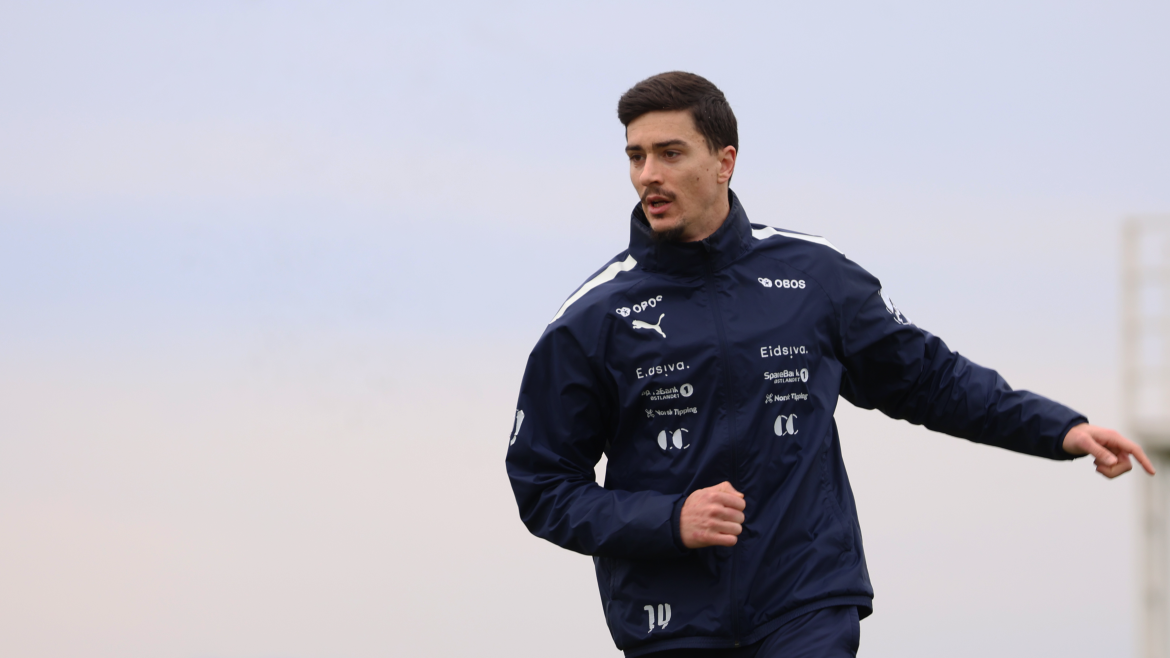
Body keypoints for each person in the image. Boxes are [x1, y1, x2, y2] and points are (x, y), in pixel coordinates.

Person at [504, 71, 1155, 658]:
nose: (649, 173)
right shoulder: (591, 319)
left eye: (670, 153)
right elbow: (544, 486)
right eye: (636, 156)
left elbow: (928, 379)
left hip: (807, 606)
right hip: (671, 626)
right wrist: (669, 521)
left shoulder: (814, 276)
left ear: (725, 161)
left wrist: (1059, 429)